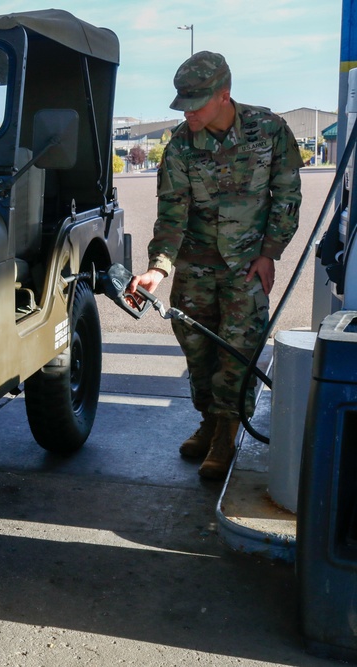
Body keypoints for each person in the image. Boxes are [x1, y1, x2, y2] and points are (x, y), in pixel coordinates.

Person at [129, 51, 303, 479]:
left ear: (224, 95)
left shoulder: (270, 130)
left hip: (246, 268)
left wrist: (270, 253)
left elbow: (286, 197)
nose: (188, 114)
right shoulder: (180, 147)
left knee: (238, 351)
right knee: (197, 350)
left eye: (197, 104)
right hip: (195, 267)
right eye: (183, 105)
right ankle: (208, 420)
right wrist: (158, 268)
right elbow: (172, 214)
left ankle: (228, 431)